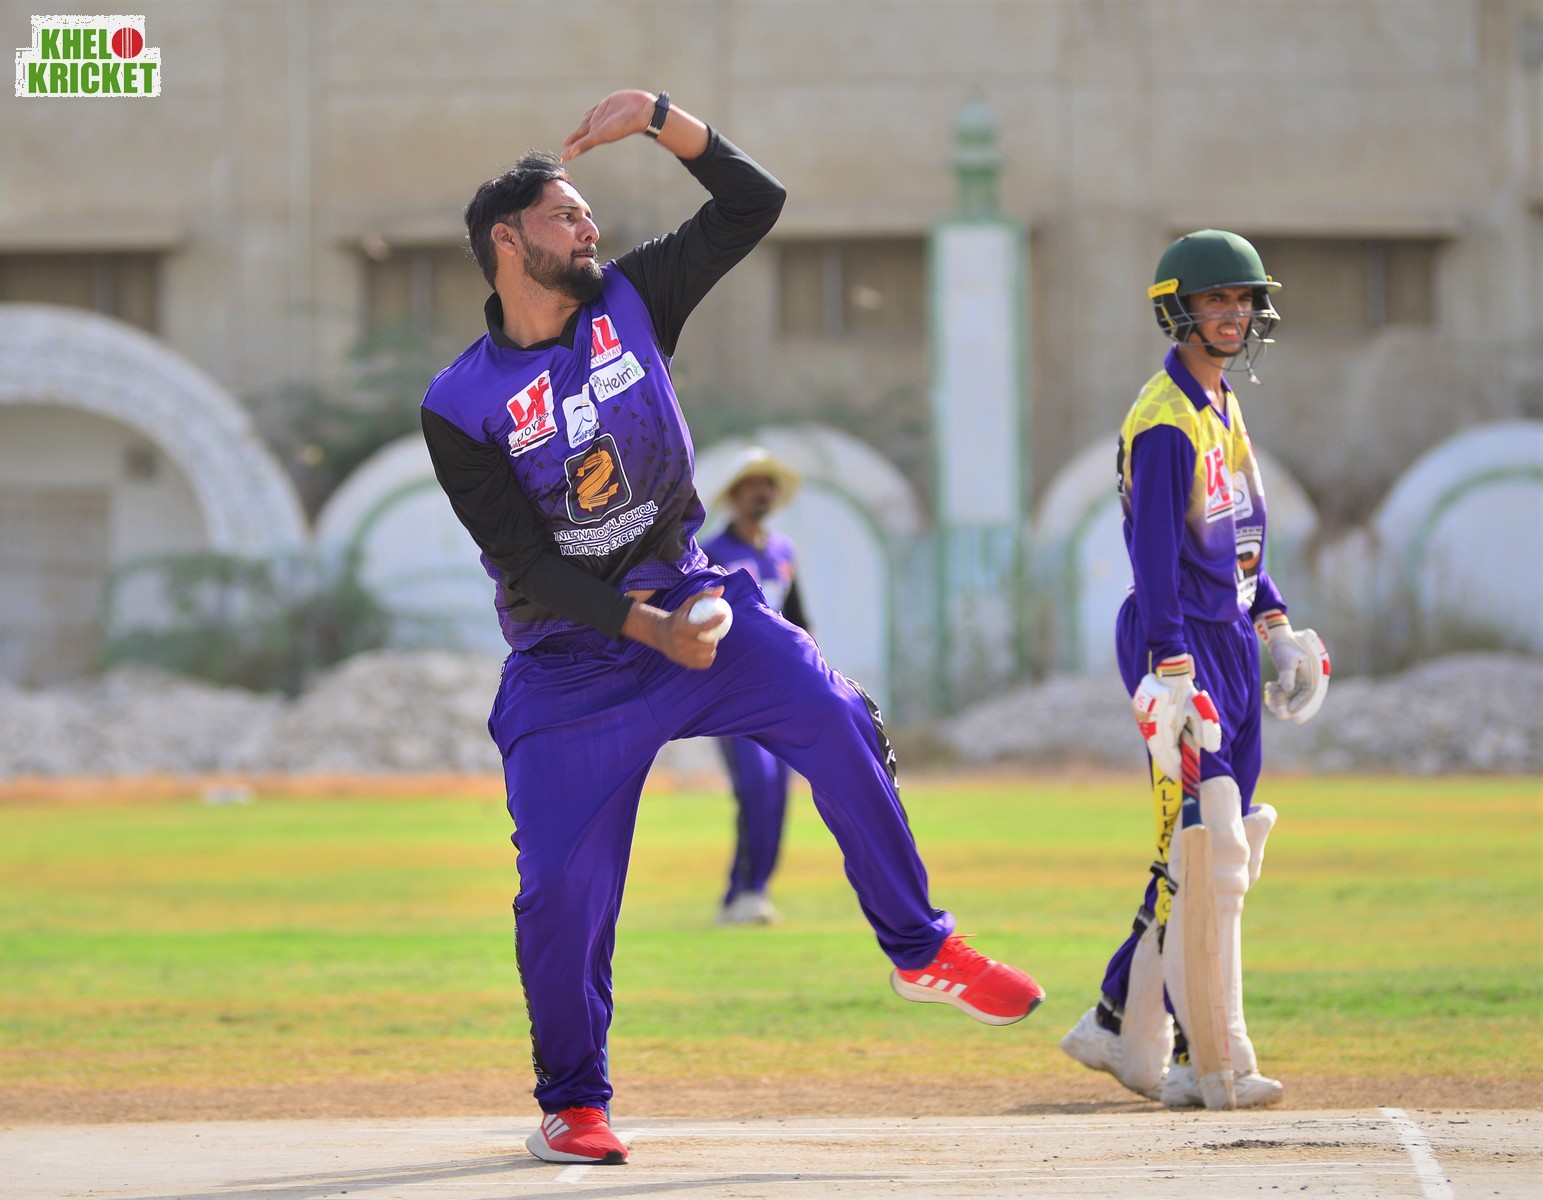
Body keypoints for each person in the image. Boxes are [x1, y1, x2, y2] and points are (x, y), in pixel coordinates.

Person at [419, 89, 1044, 1167]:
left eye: (586, 212)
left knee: (833, 711)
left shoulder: (630, 300)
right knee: (561, 890)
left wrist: (662, 118)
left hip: (696, 599)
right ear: (506, 242)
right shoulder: (458, 402)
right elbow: (524, 564)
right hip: (570, 662)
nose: (589, 225)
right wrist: (641, 630)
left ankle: (918, 948)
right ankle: (573, 1104)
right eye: (565, 215)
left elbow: (754, 203)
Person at [1058, 230, 1331, 1110]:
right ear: (1177, 311)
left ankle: (1117, 1020)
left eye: (1243, 300)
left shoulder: (1221, 404)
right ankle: (1204, 1055)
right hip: (1174, 640)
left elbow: (1241, 533)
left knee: (1221, 846)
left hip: (1227, 638)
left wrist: (1276, 625)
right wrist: (1171, 663)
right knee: (1202, 849)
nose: (1232, 315)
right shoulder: (1165, 420)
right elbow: (1152, 555)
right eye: (1215, 300)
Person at [700, 446, 810, 925]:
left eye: (767, 484)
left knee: (779, 790)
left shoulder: (784, 552)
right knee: (756, 785)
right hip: (732, 693)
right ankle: (739, 893)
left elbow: (799, 620)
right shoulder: (712, 553)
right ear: (734, 496)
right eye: (750, 485)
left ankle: (753, 892)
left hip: (781, 693)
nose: (760, 493)